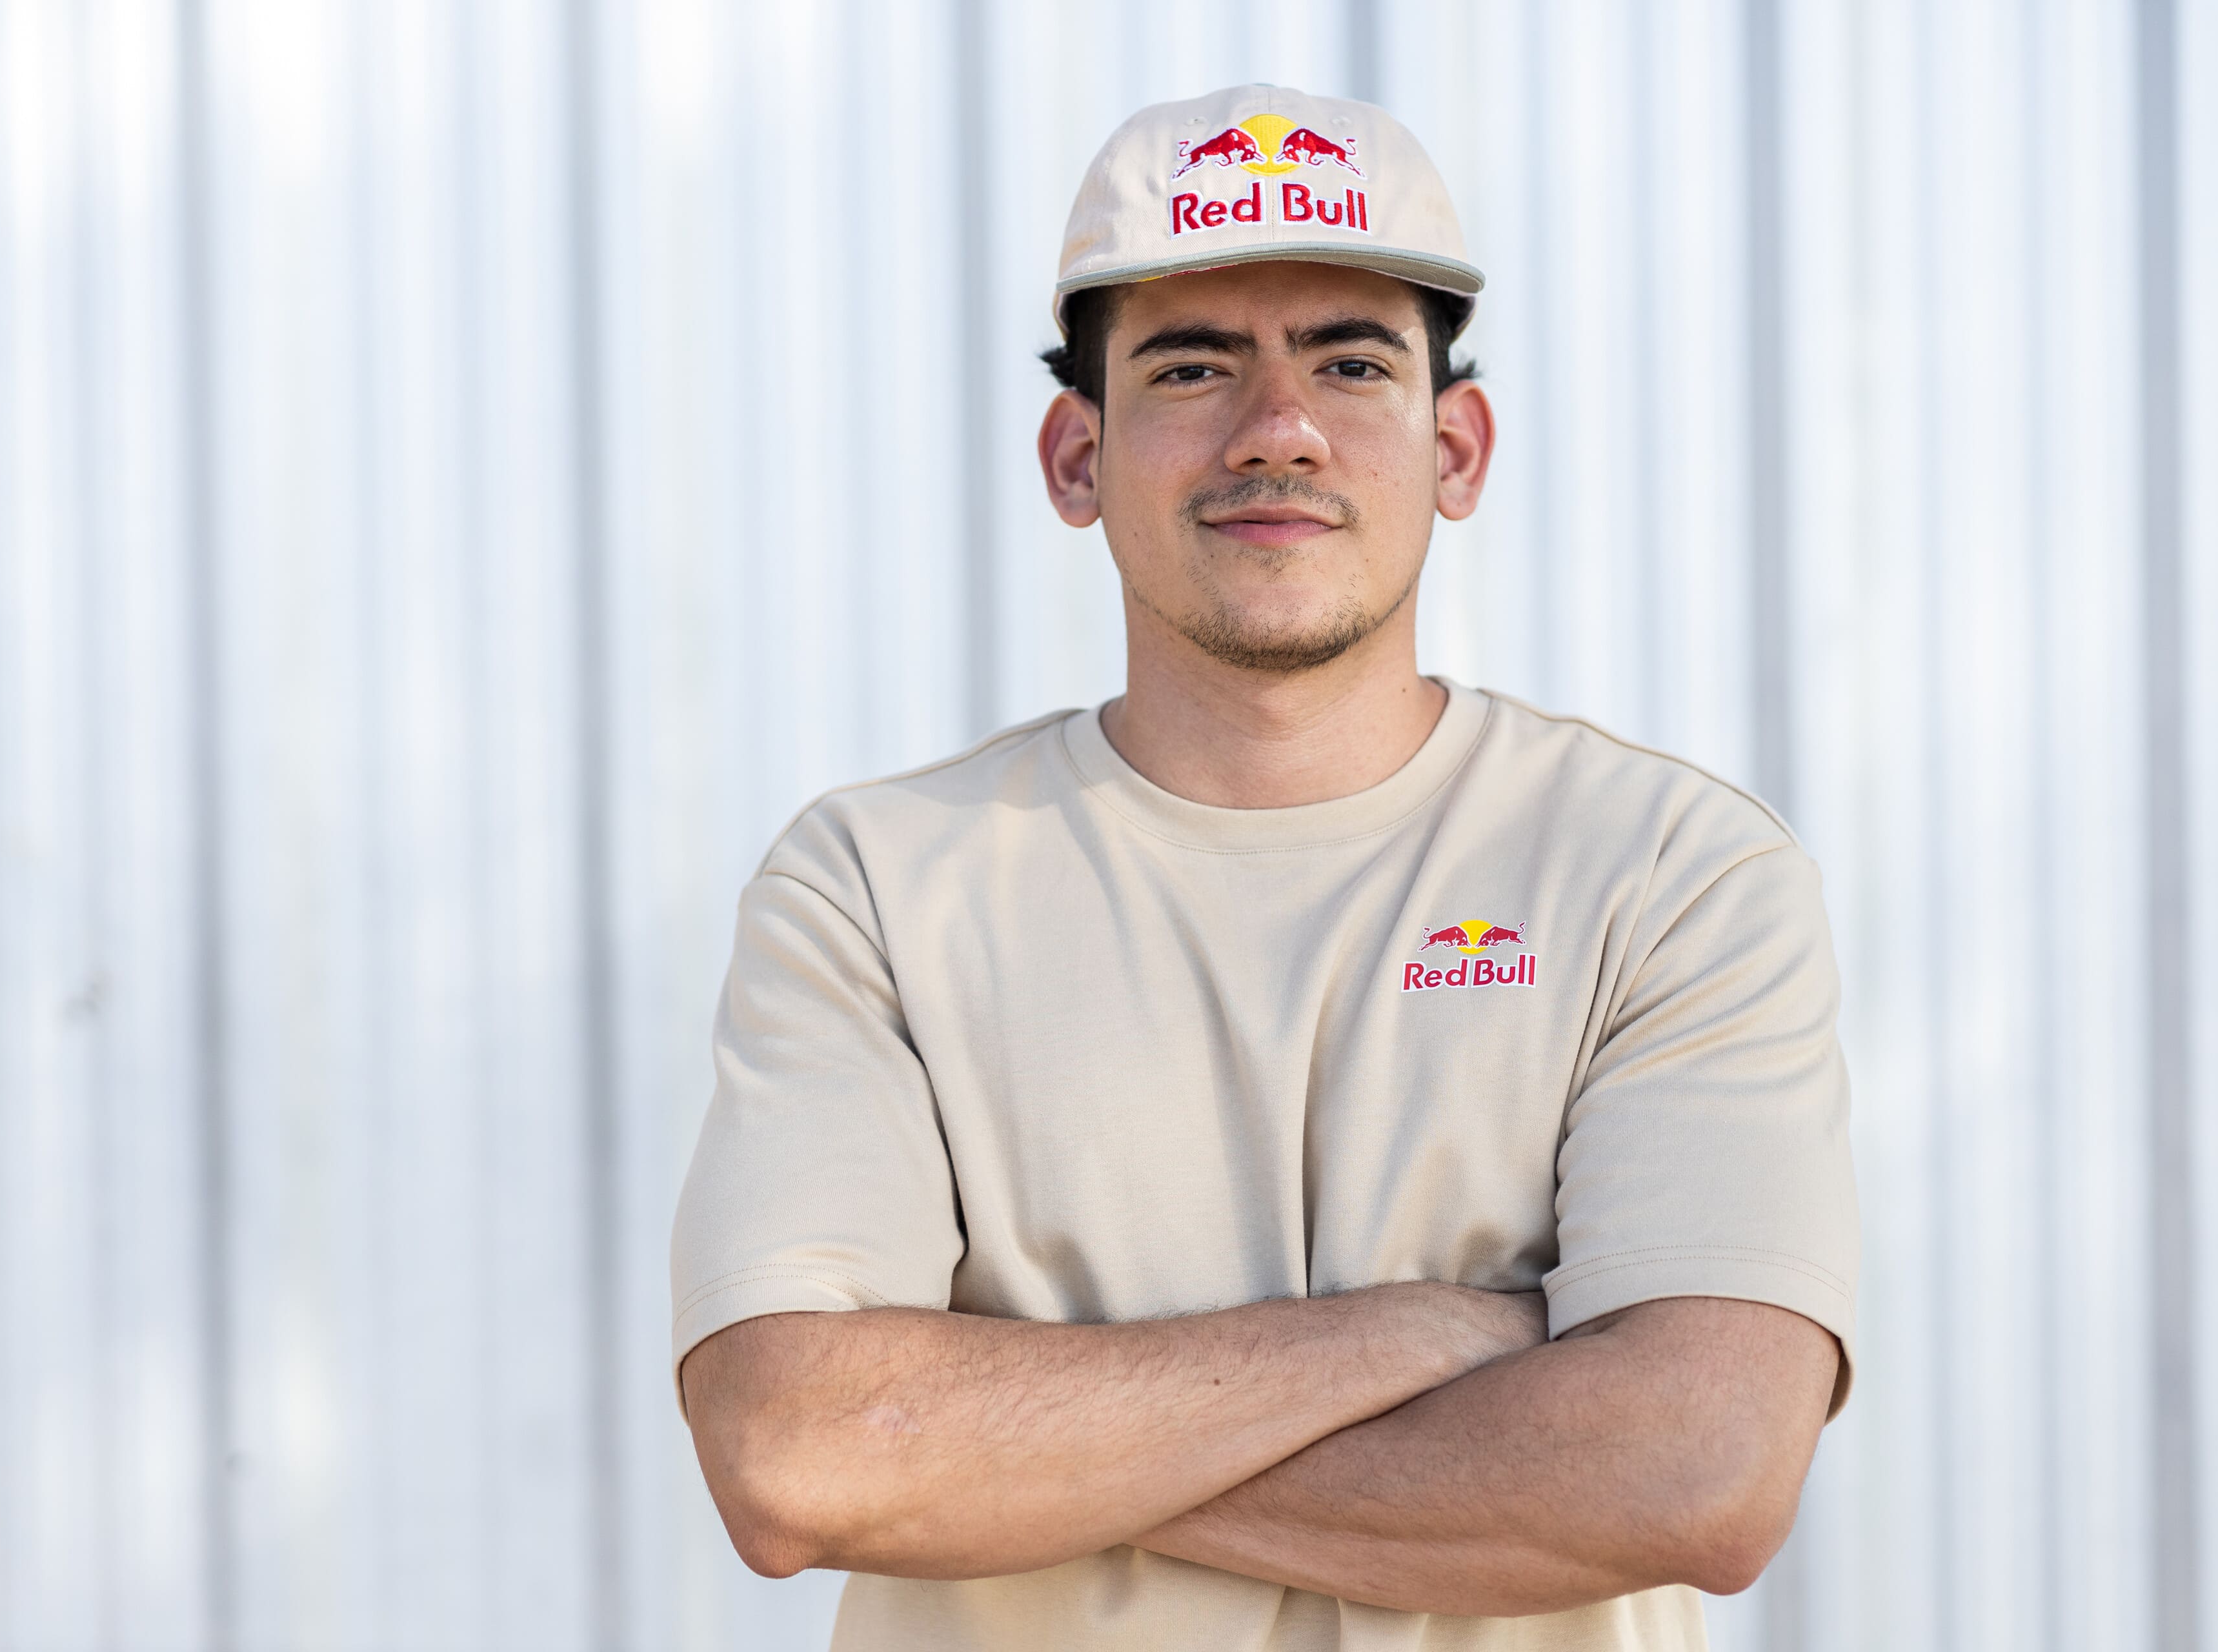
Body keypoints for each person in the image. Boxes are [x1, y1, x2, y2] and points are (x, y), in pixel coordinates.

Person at [669, 84, 1857, 1651]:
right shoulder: (879, 887)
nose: (1278, 428)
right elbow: (798, 1455)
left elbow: (1695, 1472)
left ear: (1456, 447)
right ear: (1078, 455)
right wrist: (1430, 1336)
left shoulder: (1669, 872)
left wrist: (1005, 1449)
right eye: (1192, 365)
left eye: (1351, 362)